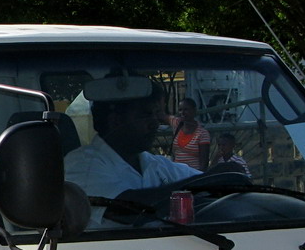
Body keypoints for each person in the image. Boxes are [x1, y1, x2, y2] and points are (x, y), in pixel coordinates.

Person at [65, 79, 200, 203]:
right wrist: (185, 191)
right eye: (145, 115)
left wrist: (218, 175)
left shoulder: (153, 163)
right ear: (116, 121)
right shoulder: (82, 164)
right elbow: (126, 208)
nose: (155, 123)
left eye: (156, 114)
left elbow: (203, 180)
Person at [171, 98, 210, 171]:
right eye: (180, 110)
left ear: (194, 111)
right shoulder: (177, 126)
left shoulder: (202, 133)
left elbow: (204, 162)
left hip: (192, 174)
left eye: (186, 109)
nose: (182, 112)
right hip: (176, 173)